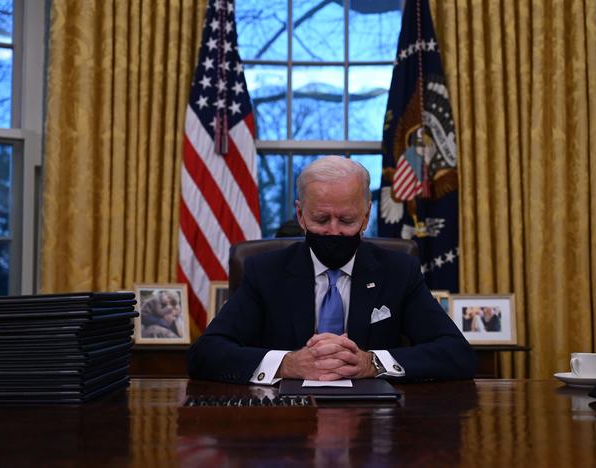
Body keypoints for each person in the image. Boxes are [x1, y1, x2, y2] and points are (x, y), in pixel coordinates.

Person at [187, 155, 476, 384]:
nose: (333, 232)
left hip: (375, 424)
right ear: (300, 214)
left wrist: (372, 363)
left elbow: (457, 354)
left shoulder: (399, 270)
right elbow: (206, 354)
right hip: (284, 421)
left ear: (366, 216)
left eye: (347, 220)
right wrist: (287, 363)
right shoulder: (265, 271)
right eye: (321, 219)